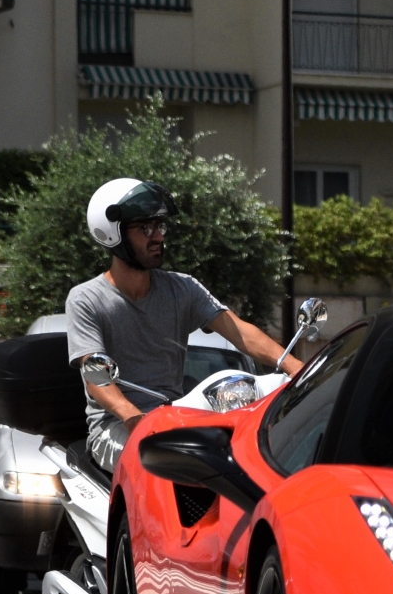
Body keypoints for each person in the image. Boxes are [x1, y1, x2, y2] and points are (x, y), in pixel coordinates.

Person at [66, 179, 288, 472]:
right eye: (145, 228)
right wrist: (135, 419)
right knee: (170, 462)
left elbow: (240, 331)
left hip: (173, 415)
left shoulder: (182, 288)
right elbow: (96, 377)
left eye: (160, 227)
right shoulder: (86, 299)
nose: (157, 236)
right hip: (116, 428)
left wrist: (298, 369)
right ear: (112, 234)